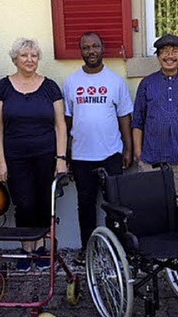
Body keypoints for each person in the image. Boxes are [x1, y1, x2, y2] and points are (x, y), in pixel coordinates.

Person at [0, 38, 68, 271]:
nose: (29, 60)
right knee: (23, 203)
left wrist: (61, 159)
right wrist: (1, 162)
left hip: (46, 155)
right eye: (24, 56)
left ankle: (44, 248)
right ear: (15, 59)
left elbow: (60, 125)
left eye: (34, 55)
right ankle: (27, 250)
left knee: (45, 202)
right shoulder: (2, 87)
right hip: (15, 157)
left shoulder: (50, 87)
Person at [63, 32, 133, 266]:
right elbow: (67, 121)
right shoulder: (71, 82)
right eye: (86, 47)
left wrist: (128, 148)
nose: (91, 51)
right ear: (80, 51)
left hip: (111, 153)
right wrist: (67, 153)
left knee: (115, 205)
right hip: (82, 156)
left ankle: (118, 250)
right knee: (85, 205)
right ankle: (88, 249)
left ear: (103, 49)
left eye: (95, 46)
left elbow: (125, 117)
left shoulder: (115, 81)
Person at [132, 34, 178, 207]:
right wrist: (139, 154)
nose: (169, 56)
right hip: (152, 160)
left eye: (174, 51)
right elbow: (138, 122)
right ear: (158, 56)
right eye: (164, 52)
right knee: (154, 208)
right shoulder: (147, 84)